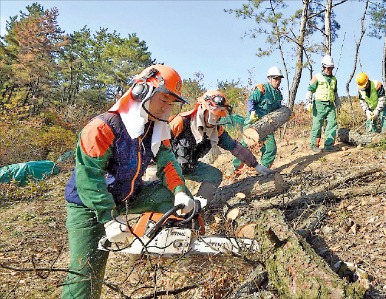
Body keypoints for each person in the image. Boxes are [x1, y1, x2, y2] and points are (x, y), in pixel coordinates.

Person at [62, 65, 197, 299]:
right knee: (87, 271)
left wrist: (180, 191)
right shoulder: (102, 127)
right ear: (142, 91)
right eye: (163, 99)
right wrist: (108, 216)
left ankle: (169, 240)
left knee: (173, 201)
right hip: (89, 203)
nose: (168, 107)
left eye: (171, 103)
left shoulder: (155, 127)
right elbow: (90, 178)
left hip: (127, 195)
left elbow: (166, 161)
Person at [170, 90, 274, 200]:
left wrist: (255, 165)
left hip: (189, 165)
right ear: (204, 108)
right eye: (214, 114)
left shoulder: (216, 130)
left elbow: (234, 147)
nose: (216, 119)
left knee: (214, 176)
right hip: (168, 167)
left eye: (219, 115)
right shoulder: (181, 122)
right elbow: (159, 145)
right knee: (176, 198)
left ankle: (200, 204)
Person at [232, 66, 284, 173]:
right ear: (269, 79)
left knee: (271, 148)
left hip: (266, 125)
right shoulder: (262, 89)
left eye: (279, 79)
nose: (277, 81)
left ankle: (264, 170)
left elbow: (277, 110)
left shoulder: (279, 95)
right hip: (253, 122)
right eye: (275, 79)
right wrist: (252, 112)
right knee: (245, 146)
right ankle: (236, 169)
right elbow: (251, 101)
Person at [305, 55, 341, 153]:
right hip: (319, 105)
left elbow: (335, 92)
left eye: (331, 68)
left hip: (330, 105)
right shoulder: (317, 77)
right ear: (323, 67)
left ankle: (328, 145)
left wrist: (338, 104)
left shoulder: (334, 79)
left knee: (332, 124)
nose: (329, 70)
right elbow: (310, 90)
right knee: (317, 125)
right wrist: (307, 102)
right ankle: (314, 145)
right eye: (327, 68)